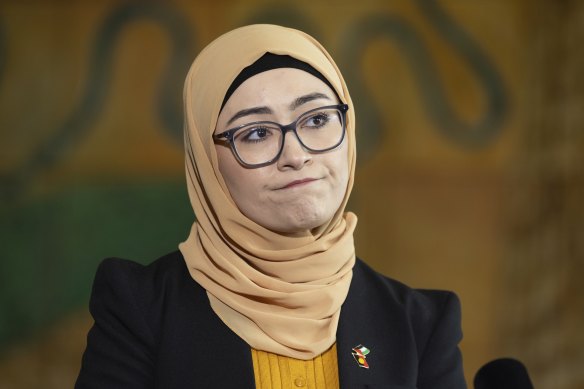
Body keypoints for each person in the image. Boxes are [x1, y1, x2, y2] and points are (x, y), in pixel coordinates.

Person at [75, 24, 466, 388]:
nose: (295, 155)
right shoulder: (141, 310)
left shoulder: (420, 325)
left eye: (316, 120)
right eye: (257, 132)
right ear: (207, 162)